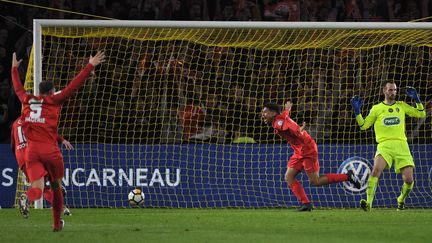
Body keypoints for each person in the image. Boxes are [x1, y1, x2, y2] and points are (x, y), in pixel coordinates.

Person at [11, 51, 105, 231]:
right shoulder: (55, 100)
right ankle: (56, 225)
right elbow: (73, 87)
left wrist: (14, 69)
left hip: (32, 152)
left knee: (37, 189)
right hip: (50, 151)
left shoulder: (27, 100)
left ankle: (28, 198)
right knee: (56, 187)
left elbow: (18, 89)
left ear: (39, 92)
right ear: (52, 91)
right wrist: (90, 65)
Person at [261, 100, 361, 211]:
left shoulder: (278, 123)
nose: (263, 115)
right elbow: (285, 117)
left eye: (265, 112)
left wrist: (298, 130)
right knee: (289, 177)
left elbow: (288, 124)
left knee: (315, 181)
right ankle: (306, 204)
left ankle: (348, 176)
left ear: (273, 113)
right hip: (299, 151)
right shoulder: (279, 117)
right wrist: (287, 109)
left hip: (307, 149)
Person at [351, 81, 426, 211]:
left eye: (395, 90)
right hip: (384, 145)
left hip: (401, 145)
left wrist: (417, 99)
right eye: (391, 90)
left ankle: (401, 200)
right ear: (384, 91)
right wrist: (357, 112)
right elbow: (363, 126)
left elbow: (421, 114)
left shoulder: (401, 106)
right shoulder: (376, 108)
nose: (393, 92)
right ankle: (368, 203)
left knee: (409, 179)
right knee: (375, 170)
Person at [11, 117, 74, 218]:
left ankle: (61, 206)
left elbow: (12, 145)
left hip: (21, 157)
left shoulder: (15, 123)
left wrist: (20, 160)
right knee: (43, 184)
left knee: (42, 185)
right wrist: (62, 140)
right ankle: (27, 198)